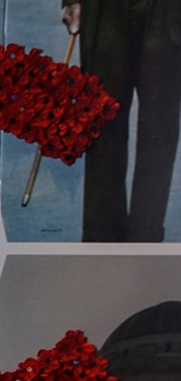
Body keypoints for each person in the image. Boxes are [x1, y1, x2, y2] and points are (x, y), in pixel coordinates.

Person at [64, 0, 179, 241]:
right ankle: (100, 245)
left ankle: (146, 246)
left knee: (160, 129)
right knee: (101, 125)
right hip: (105, 10)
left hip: (168, 10)